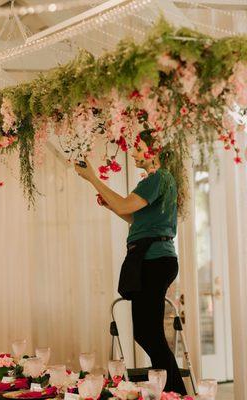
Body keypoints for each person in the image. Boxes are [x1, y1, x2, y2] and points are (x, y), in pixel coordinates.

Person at [74, 133, 187, 395]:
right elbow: (136, 220)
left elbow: (126, 204)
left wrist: (93, 178)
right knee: (147, 333)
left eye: (138, 148)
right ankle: (173, 391)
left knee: (150, 334)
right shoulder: (161, 181)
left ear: (154, 150)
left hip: (154, 259)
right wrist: (112, 207)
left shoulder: (158, 177)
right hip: (153, 258)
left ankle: (177, 393)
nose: (133, 154)